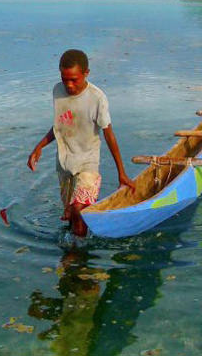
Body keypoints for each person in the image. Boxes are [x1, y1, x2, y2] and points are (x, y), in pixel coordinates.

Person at [27, 49, 135, 237]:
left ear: (86, 73)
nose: (69, 85)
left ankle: (77, 256)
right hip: (65, 163)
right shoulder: (57, 91)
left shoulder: (96, 98)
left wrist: (121, 173)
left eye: (74, 80)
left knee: (79, 209)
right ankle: (76, 247)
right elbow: (60, 126)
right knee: (70, 216)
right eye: (64, 78)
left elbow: (109, 135)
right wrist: (39, 146)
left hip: (88, 162)